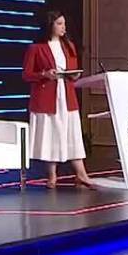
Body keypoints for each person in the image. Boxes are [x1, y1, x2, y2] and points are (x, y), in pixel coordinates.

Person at [22, 10, 96, 189]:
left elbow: (72, 70)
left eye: (64, 24)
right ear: (50, 25)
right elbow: (27, 74)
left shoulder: (69, 46)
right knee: (52, 134)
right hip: (48, 96)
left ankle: (81, 174)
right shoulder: (36, 48)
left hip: (66, 95)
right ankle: (52, 175)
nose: (64, 27)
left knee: (72, 133)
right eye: (59, 24)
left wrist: (74, 75)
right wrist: (44, 74)